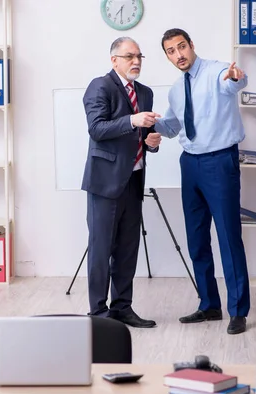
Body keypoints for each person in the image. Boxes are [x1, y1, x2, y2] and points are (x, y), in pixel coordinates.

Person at [153, 28, 250, 335]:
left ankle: (238, 311)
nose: (178, 54)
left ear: (192, 45)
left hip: (219, 162)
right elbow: (172, 126)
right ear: (167, 55)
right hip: (190, 163)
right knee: (196, 238)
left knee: (228, 237)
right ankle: (209, 304)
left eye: (182, 47)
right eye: (171, 51)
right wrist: (151, 126)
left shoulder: (216, 71)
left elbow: (234, 83)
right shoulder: (176, 89)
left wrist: (237, 78)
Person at [81, 37, 162, 328]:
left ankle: (122, 308)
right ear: (114, 60)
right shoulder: (100, 86)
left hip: (134, 180)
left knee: (128, 249)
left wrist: (151, 142)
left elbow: (143, 137)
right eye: (129, 56)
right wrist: (133, 121)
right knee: (101, 249)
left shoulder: (146, 92)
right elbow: (97, 129)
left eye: (139, 56)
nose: (136, 61)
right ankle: (98, 314)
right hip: (105, 184)